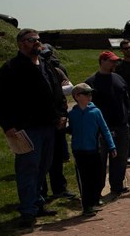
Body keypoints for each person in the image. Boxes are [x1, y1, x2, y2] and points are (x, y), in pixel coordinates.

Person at [0, 28, 68, 228]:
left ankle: (38, 203)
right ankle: (27, 210)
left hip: (49, 127)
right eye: (31, 40)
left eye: (38, 39)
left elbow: (58, 94)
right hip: (26, 128)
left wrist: (62, 115)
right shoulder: (11, 68)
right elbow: (2, 100)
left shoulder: (46, 66)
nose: (37, 42)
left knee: (43, 168)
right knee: (28, 169)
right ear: (20, 43)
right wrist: (8, 125)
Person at [85, 51, 130, 196]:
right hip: (101, 128)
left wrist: (127, 117)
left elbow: (126, 100)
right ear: (102, 61)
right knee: (100, 161)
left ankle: (117, 186)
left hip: (121, 126)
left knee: (120, 158)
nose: (114, 64)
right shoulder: (91, 83)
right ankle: (97, 191)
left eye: (115, 61)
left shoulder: (119, 78)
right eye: (111, 61)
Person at [67, 83, 117, 217]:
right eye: (86, 93)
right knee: (85, 179)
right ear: (77, 96)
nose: (90, 96)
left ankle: (94, 199)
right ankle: (87, 205)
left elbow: (105, 129)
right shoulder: (72, 114)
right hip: (79, 151)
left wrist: (111, 146)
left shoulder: (96, 112)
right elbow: (70, 129)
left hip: (94, 150)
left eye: (90, 93)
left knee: (97, 177)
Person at [39, 45, 75, 201]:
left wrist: (62, 115)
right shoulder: (32, 72)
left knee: (57, 157)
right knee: (40, 160)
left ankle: (59, 188)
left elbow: (68, 88)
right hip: (39, 122)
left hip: (57, 120)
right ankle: (41, 192)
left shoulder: (56, 71)